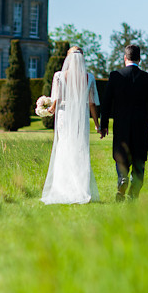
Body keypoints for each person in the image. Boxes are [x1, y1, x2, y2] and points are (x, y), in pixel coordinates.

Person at [99, 44, 148, 202]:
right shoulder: (147, 78)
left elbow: (106, 102)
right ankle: (134, 190)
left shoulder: (115, 76)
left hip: (121, 125)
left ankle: (122, 179)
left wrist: (104, 125)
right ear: (139, 59)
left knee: (121, 156)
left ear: (125, 58)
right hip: (141, 126)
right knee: (139, 158)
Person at [41, 46, 101, 204]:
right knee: (79, 149)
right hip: (81, 117)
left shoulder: (59, 76)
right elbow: (92, 104)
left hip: (64, 116)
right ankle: (80, 188)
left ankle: (63, 188)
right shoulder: (89, 77)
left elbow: (55, 102)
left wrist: (46, 109)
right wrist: (97, 124)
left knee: (64, 148)